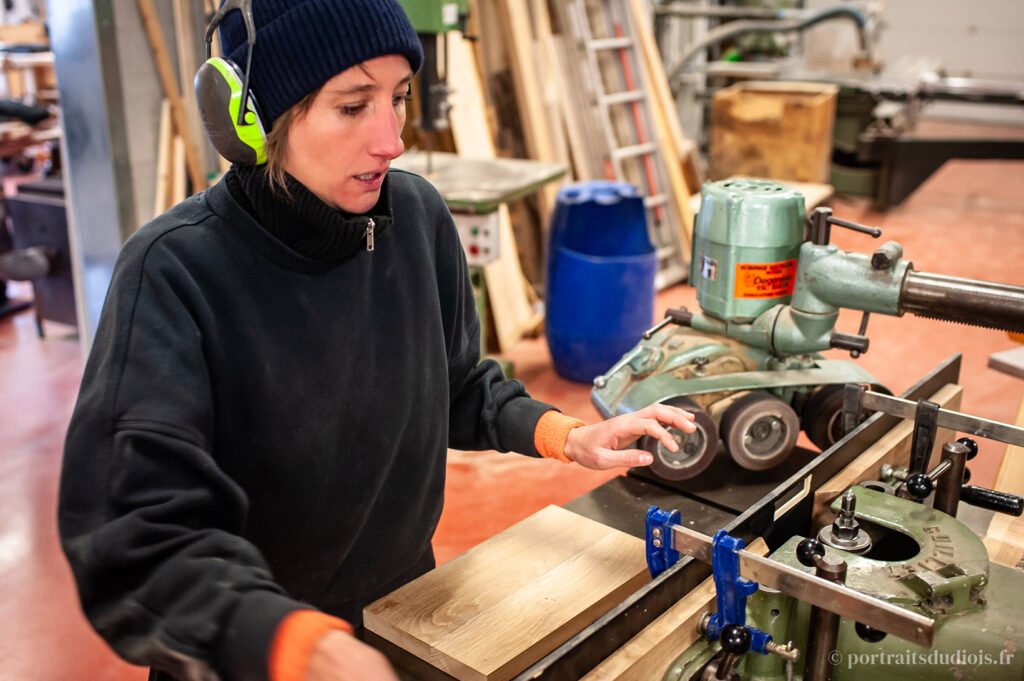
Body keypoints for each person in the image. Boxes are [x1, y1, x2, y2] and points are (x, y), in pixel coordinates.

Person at [57, 1, 696, 680]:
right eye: (353, 105)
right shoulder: (174, 271)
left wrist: (568, 436)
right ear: (257, 119)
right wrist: (297, 645)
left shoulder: (415, 218)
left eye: (398, 98)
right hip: (256, 652)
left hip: (406, 616)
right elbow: (136, 533)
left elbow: (455, 385)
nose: (390, 139)